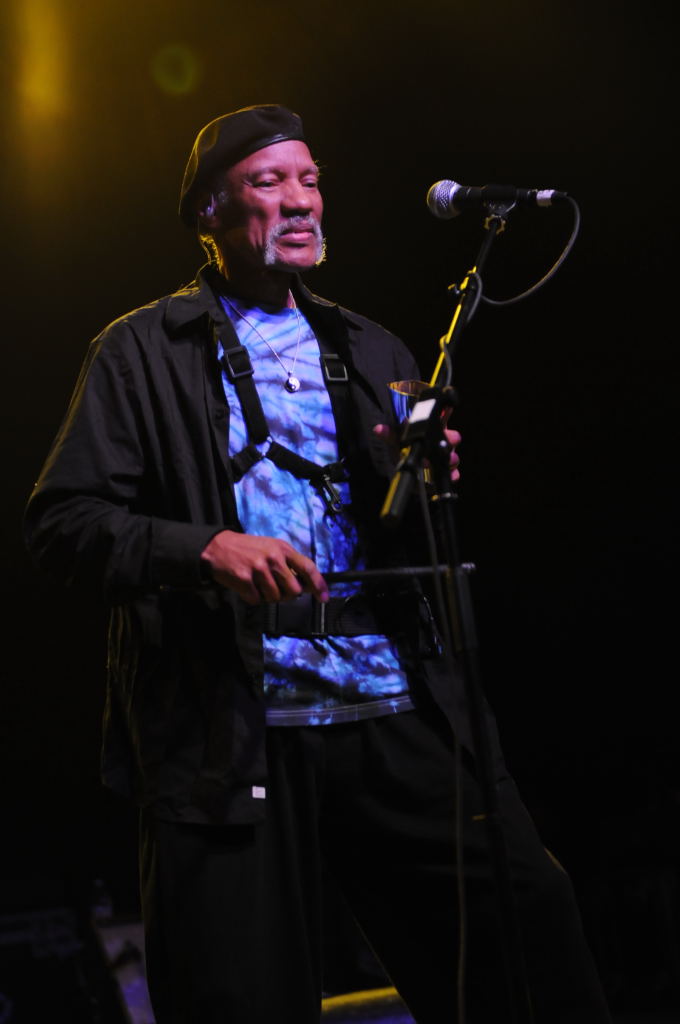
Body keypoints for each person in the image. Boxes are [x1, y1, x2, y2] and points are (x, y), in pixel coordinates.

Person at [24, 104, 612, 1024]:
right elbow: (63, 522)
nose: (300, 200)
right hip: (231, 729)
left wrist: (427, 483)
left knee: (526, 930)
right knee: (236, 997)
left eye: (309, 179)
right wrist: (204, 548)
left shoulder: (372, 348)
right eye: (269, 182)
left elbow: (402, 533)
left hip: (391, 706)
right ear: (210, 212)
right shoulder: (141, 350)